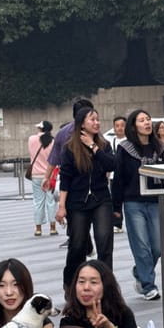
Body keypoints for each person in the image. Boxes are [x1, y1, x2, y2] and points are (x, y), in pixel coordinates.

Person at [111, 109, 164, 301]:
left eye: (148, 119)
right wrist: (116, 208)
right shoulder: (125, 148)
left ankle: (139, 271)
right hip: (133, 202)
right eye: (142, 120)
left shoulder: (159, 148)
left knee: (158, 247)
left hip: (155, 201)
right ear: (133, 125)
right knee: (141, 247)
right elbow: (118, 179)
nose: (147, 123)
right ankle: (148, 286)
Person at [55, 107, 115, 294]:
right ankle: (71, 284)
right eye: (92, 120)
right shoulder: (70, 148)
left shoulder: (104, 145)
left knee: (104, 240)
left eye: (98, 119)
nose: (96, 123)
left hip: (101, 199)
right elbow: (65, 178)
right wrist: (62, 206)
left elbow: (112, 165)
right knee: (77, 245)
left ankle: (105, 287)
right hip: (77, 202)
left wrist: (93, 146)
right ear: (82, 124)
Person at [40, 98, 94, 192]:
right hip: (80, 181)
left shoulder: (62, 132)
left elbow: (54, 158)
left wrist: (46, 177)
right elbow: (54, 157)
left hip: (79, 181)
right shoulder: (64, 133)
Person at [28, 121, 57, 237]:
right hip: (49, 175)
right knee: (51, 201)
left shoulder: (31, 139)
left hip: (36, 175)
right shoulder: (53, 142)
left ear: (40, 128)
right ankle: (53, 228)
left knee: (38, 201)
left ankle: (38, 228)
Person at [111, 116, 126, 233]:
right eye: (117, 126)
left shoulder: (130, 141)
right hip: (114, 175)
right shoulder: (111, 141)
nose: (120, 128)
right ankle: (117, 223)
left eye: (122, 125)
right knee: (115, 199)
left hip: (127, 175)